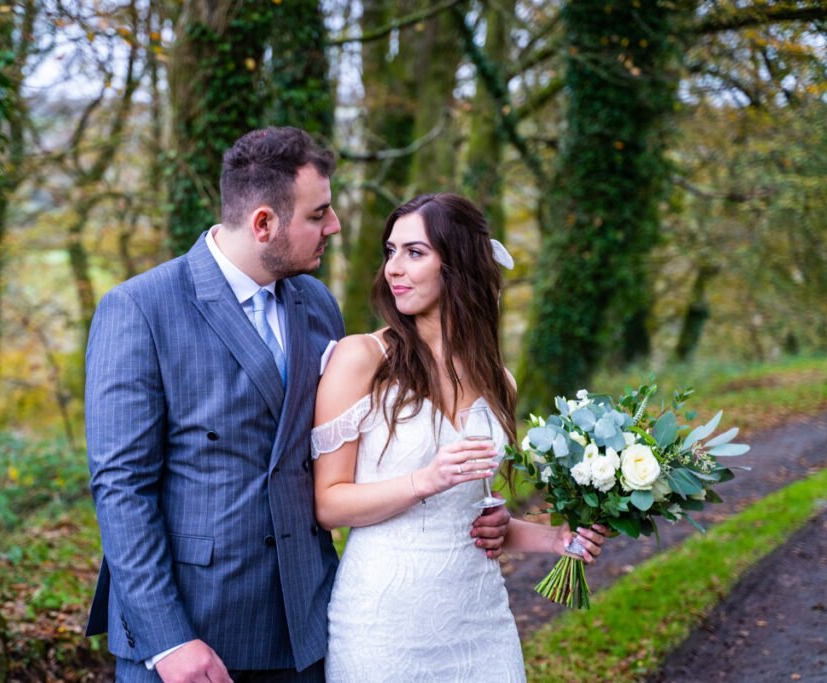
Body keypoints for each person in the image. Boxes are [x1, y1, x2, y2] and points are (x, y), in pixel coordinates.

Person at [84, 129, 511, 683]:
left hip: (304, 621)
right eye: (319, 214)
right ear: (264, 223)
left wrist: (468, 513)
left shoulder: (315, 304)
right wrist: (168, 641)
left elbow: (355, 454)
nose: (334, 226)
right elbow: (121, 489)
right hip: (193, 628)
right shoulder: (140, 308)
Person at [312, 193, 609, 682]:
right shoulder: (361, 359)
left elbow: (474, 518)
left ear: (459, 263)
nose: (393, 269)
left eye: (414, 252)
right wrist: (424, 481)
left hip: (480, 621)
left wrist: (554, 537)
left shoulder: (499, 382)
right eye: (390, 252)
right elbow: (329, 503)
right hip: (383, 624)